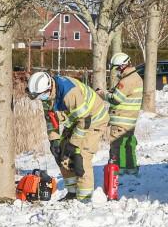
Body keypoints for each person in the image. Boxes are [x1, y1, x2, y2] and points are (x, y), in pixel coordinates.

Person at [26, 70, 108, 202]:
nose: (39, 100)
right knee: (62, 154)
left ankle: (84, 198)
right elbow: (51, 120)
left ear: (48, 89)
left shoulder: (69, 93)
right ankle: (72, 193)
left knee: (80, 155)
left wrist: (73, 144)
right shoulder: (46, 96)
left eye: (39, 96)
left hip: (93, 120)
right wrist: (54, 141)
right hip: (78, 122)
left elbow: (85, 120)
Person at [105, 52, 142, 175]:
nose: (116, 71)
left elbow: (115, 99)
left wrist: (102, 94)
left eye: (116, 68)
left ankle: (117, 172)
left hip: (121, 119)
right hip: (130, 120)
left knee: (117, 146)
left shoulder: (126, 80)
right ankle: (130, 169)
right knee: (128, 144)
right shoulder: (136, 77)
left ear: (122, 66)